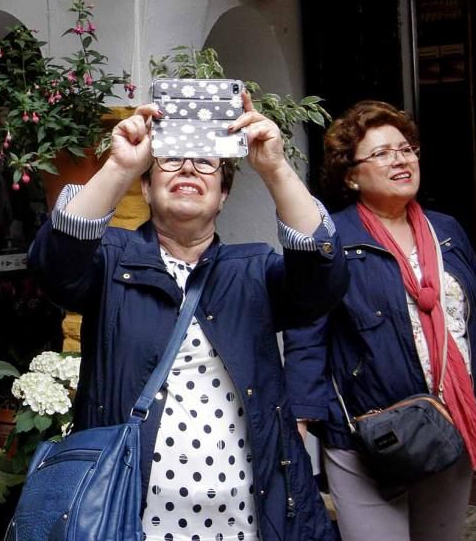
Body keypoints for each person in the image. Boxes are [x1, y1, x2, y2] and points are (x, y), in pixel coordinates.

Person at [28, 97, 348, 541]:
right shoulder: (111, 262)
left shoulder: (253, 269)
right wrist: (120, 166)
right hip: (124, 521)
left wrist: (275, 168)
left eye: (206, 162)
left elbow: (324, 280)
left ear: (223, 195)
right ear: (145, 187)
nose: (188, 169)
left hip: (249, 521)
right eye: (171, 159)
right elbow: (53, 264)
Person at [283, 100, 476, 541]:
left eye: (406, 149)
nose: (400, 159)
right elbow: (308, 335)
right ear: (351, 175)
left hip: (450, 425)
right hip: (367, 435)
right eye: (381, 153)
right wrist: (300, 424)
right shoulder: (334, 239)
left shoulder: (448, 231)